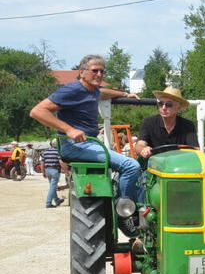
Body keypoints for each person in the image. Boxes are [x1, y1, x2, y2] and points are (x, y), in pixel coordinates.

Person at [29, 54, 141, 200]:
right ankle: (125, 211)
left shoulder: (93, 90)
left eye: (102, 71)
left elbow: (103, 92)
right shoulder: (72, 90)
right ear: (82, 72)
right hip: (74, 145)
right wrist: (69, 130)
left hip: (90, 144)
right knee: (131, 166)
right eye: (95, 70)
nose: (99, 74)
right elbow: (37, 111)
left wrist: (125, 94)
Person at [135, 86, 198, 159]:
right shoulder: (148, 122)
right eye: (161, 104)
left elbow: (195, 149)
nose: (164, 108)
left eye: (169, 104)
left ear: (179, 108)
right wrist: (143, 149)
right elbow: (139, 145)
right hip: (154, 165)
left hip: (179, 166)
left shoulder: (188, 125)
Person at [41, 139, 64, 208]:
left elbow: (42, 162)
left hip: (47, 170)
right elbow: (61, 162)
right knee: (52, 187)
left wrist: (43, 172)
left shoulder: (45, 152)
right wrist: (66, 171)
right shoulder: (58, 152)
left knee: (52, 186)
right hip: (55, 170)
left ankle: (57, 200)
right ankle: (48, 203)